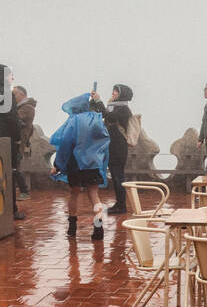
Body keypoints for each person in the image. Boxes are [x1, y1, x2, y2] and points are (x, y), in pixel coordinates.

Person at [50, 91, 111, 241]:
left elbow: (65, 144)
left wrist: (58, 165)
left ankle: (72, 227)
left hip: (76, 163)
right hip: (93, 163)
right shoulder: (97, 119)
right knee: (94, 196)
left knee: (74, 194)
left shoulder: (74, 120)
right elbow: (104, 140)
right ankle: (98, 228)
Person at [0, 64, 25, 221]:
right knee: (10, 173)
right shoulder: (7, 94)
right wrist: (18, 138)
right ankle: (11, 210)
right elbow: (13, 119)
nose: (12, 78)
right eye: (10, 76)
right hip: (6, 140)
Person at [103, 84, 135, 215]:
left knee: (118, 176)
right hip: (112, 147)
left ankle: (121, 205)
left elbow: (110, 117)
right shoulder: (115, 107)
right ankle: (119, 203)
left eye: (116, 91)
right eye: (113, 90)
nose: (113, 93)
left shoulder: (124, 109)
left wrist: (100, 103)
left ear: (122, 94)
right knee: (116, 176)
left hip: (118, 148)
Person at [13, 86, 36, 198]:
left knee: (15, 167)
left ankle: (24, 191)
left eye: (15, 94)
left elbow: (15, 118)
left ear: (22, 94)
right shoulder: (21, 107)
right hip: (17, 140)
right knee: (14, 166)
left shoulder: (27, 107)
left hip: (19, 141)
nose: (13, 96)